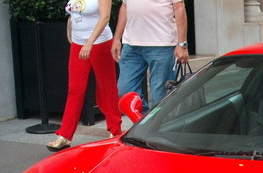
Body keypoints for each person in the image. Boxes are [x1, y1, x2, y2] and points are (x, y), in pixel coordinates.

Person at [48, 0, 122, 152]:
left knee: (106, 87)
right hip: (78, 43)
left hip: (99, 43)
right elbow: (74, 14)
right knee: (75, 89)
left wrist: (89, 42)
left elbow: (105, 17)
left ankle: (115, 130)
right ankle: (65, 135)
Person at [111, 0, 189, 112]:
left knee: (160, 97)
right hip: (131, 45)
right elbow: (125, 6)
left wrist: (182, 44)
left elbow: (179, 7)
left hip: (162, 44)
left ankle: (158, 126)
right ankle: (147, 122)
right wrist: (117, 38)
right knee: (126, 91)